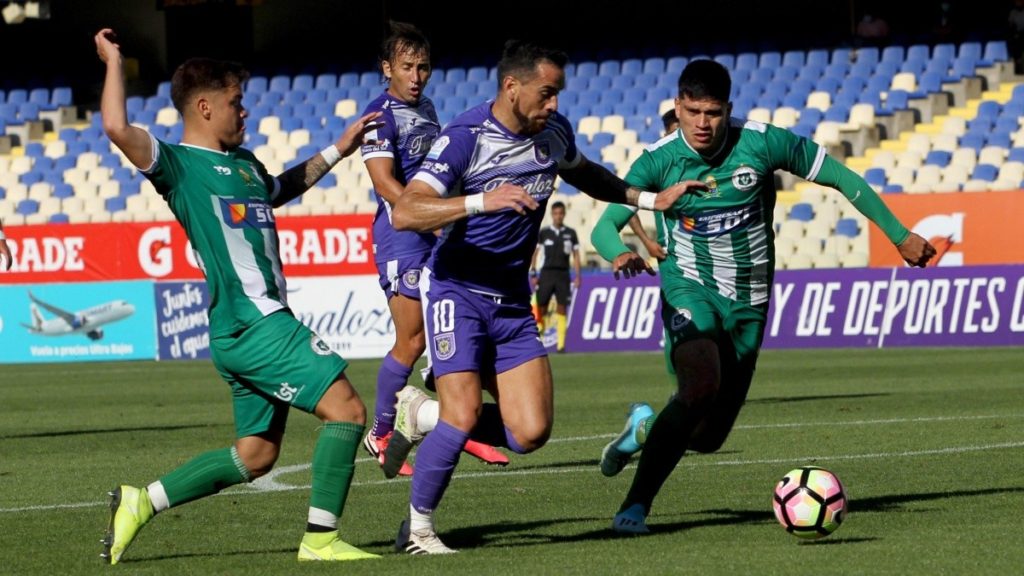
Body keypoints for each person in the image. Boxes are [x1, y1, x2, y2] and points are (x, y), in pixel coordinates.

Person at [379, 39, 699, 554]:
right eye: (546, 93)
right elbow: (406, 212)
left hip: (510, 300)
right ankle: (418, 531)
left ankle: (421, 415)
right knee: (462, 414)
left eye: (558, 94)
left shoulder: (553, 132)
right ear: (512, 87)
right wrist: (481, 201)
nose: (554, 104)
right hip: (457, 291)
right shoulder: (466, 136)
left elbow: (585, 173)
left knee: (530, 432)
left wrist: (647, 198)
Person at [590, 59, 936, 535]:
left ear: (728, 108)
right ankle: (635, 506)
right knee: (698, 387)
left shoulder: (762, 142)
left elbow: (840, 176)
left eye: (713, 113)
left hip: (749, 302)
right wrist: (618, 254)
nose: (703, 123)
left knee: (708, 436)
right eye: (693, 112)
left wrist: (899, 234)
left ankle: (643, 429)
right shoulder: (658, 160)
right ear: (677, 107)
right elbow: (604, 227)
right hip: (688, 286)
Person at [94, 28, 384, 563]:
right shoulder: (178, 166)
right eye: (235, 102)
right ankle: (321, 539)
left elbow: (281, 189)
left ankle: (142, 500)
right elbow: (115, 126)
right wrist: (113, 60)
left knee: (256, 455)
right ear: (204, 107)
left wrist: (338, 150)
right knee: (346, 409)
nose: (244, 111)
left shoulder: (247, 164)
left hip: (243, 329)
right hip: (255, 324)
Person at [357, 21, 507, 478]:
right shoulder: (379, 115)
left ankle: (459, 424)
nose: (417, 76)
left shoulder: (427, 108)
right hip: (402, 236)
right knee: (414, 339)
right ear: (387, 68)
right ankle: (381, 431)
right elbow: (384, 183)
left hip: (436, 230)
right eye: (407, 67)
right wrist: (431, 216)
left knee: (454, 331)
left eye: (423, 67)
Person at [529, 200, 581, 353]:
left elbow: (576, 255)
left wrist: (578, 275)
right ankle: (539, 342)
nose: (558, 216)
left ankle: (561, 345)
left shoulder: (571, 233)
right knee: (542, 307)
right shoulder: (544, 233)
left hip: (563, 274)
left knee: (562, 308)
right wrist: (533, 271)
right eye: (556, 213)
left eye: (561, 213)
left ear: (564, 214)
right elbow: (535, 253)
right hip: (546, 273)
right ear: (552, 215)